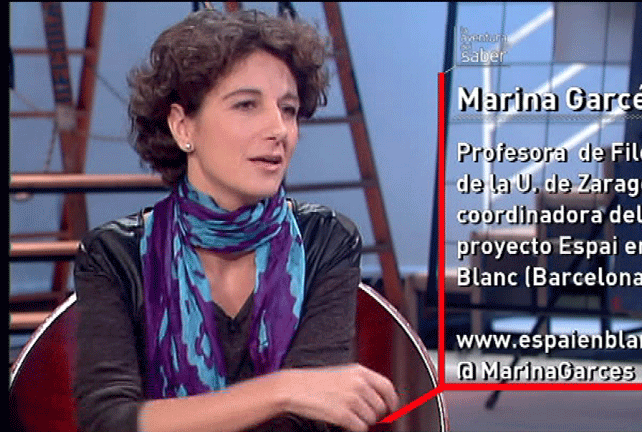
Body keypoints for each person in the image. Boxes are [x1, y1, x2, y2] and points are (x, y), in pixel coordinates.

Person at [73, 9, 398, 432]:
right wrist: (282, 389)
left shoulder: (326, 240)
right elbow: (107, 422)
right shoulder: (114, 254)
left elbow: (311, 422)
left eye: (288, 109)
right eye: (246, 105)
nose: (278, 129)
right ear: (183, 126)